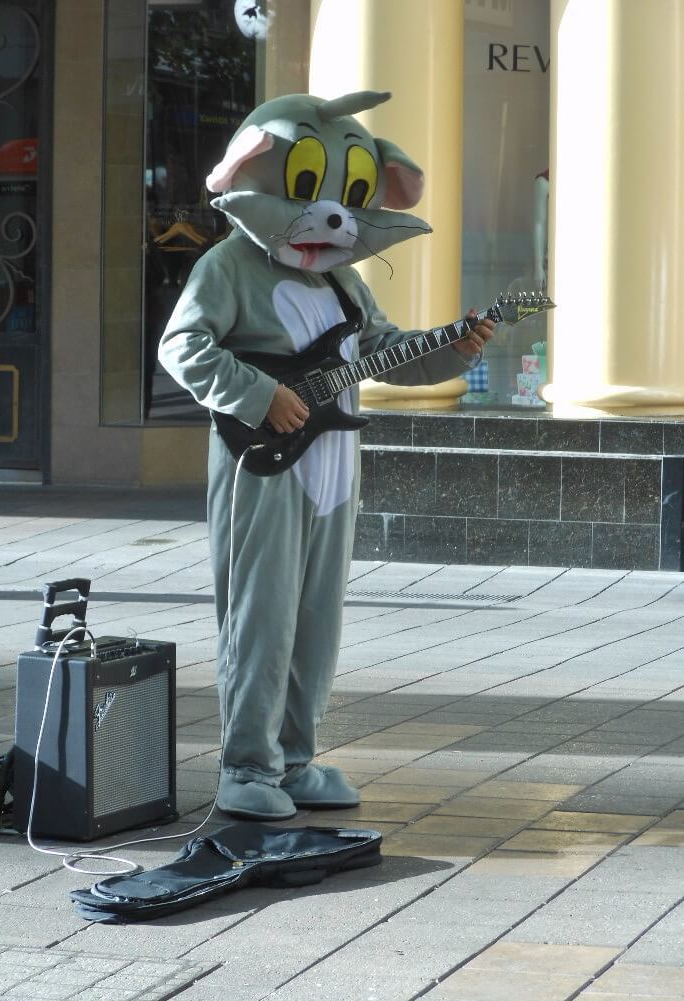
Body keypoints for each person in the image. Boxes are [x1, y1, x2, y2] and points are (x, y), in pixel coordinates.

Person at [159, 90, 494, 820]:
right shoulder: (228, 266)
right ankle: (247, 766)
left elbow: (382, 353)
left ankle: (296, 758)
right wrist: (255, 395)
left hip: (335, 463)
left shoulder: (344, 278)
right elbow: (182, 346)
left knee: (316, 618)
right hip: (265, 463)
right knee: (261, 614)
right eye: (311, 187)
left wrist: (453, 348)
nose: (334, 212)